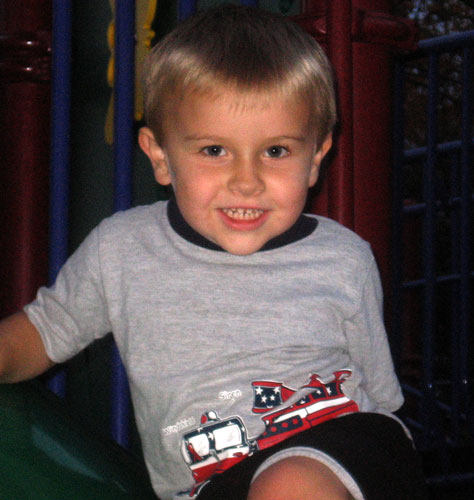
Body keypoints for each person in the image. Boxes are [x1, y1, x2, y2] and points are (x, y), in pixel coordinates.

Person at [0, 5, 426, 500]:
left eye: (276, 151)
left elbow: (379, 395)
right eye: (214, 150)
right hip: (208, 485)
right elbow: (41, 333)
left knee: (289, 484)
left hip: (337, 452)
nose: (246, 181)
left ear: (316, 158)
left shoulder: (344, 257)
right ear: (160, 156)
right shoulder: (123, 250)